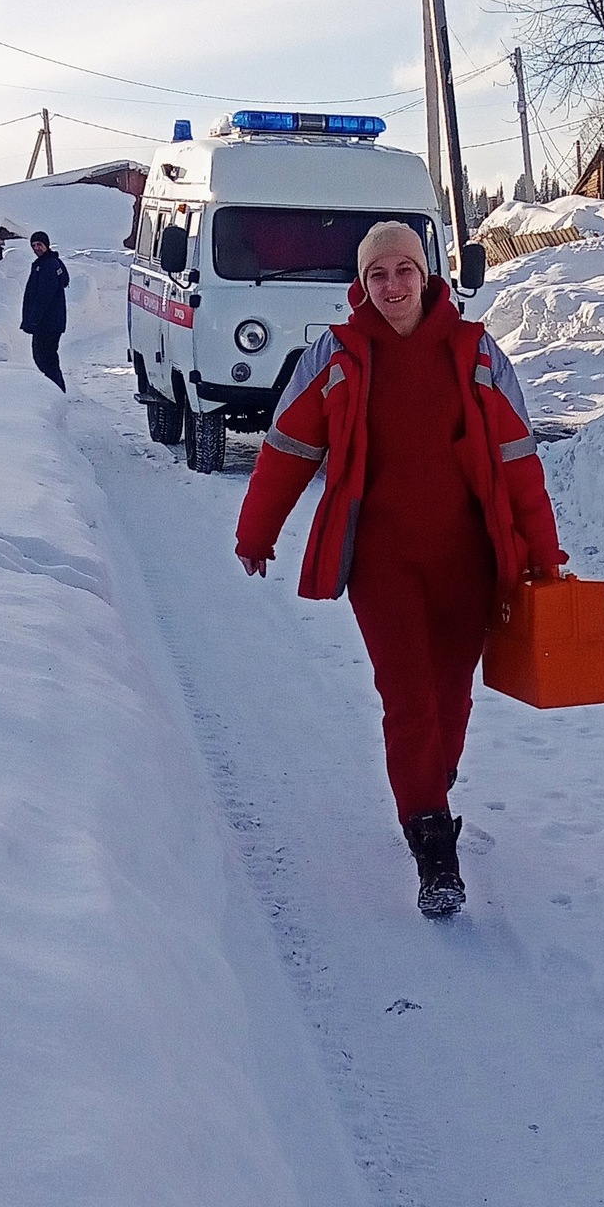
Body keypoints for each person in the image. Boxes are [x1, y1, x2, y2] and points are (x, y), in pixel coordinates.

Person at [234, 220, 567, 919]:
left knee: (450, 697)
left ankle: (430, 780)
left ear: (426, 274)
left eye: (403, 270)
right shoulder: (337, 353)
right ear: (362, 283)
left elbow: (516, 459)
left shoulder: (475, 350)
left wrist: (541, 549)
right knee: (408, 696)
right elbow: (289, 445)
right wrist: (257, 531)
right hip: (382, 563)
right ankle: (432, 845)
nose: (392, 285)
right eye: (377, 274)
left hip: (466, 559)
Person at [20, 231, 70, 390]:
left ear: (46, 245)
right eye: (33, 245)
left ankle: (56, 390)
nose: (36, 248)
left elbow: (43, 297)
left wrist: (33, 320)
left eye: (39, 245)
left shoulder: (47, 266)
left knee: (43, 358)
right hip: (51, 323)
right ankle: (57, 389)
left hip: (47, 323)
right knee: (48, 357)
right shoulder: (52, 263)